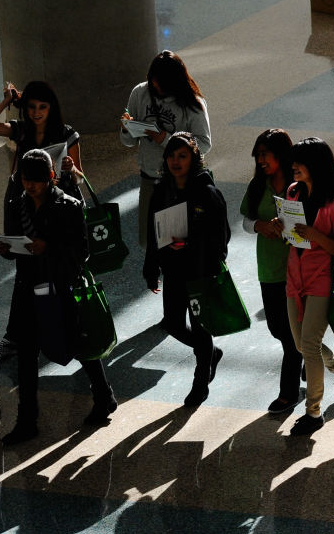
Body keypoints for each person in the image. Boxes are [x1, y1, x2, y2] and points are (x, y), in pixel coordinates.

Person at [0, 150, 117, 445]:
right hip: (28, 288)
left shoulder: (69, 206)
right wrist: (8, 249)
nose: (31, 186)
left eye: (37, 180)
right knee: (26, 356)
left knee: (76, 343)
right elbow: (15, 241)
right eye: (26, 180)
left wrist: (47, 247)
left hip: (60, 288)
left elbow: (82, 252)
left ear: (51, 177)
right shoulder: (16, 204)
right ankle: (27, 421)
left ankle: (103, 395)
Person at [0, 80, 83, 359]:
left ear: (52, 108)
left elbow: (79, 177)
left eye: (43, 107)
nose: (37, 112)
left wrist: (71, 170)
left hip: (52, 202)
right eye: (32, 107)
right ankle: (17, 337)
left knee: (49, 264)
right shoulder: (21, 129)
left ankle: (52, 330)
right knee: (24, 267)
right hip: (21, 199)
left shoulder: (66, 134)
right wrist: (6, 102)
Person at [143, 133, 228, 407]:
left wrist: (191, 245)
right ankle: (210, 353)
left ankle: (200, 381)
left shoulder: (207, 192)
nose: (176, 162)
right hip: (173, 268)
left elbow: (221, 235)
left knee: (201, 328)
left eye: (182, 156)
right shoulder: (162, 190)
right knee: (174, 324)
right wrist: (151, 265)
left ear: (193, 158)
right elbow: (153, 230)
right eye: (171, 156)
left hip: (199, 270)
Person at [284, 137, 334, 436]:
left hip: (322, 279)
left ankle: (313, 412)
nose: (294, 167)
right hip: (294, 276)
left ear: (317, 165)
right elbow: (292, 232)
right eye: (294, 161)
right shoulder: (292, 192)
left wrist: (315, 234)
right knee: (301, 343)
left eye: (300, 162)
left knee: (308, 346)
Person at [121, 50, 212, 250]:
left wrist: (164, 139)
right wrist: (127, 129)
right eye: (154, 81)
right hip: (150, 176)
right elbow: (127, 142)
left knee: (178, 240)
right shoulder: (140, 93)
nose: (156, 87)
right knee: (148, 241)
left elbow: (204, 144)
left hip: (181, 181)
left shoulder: (193, 104)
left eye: (162, 83)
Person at [239, 129, 302, 413]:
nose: (261, 160)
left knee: (291, 337)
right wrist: (261, 226)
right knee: (279, 328)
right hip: (268, 269)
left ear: (281, 154)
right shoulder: (257, 186)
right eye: (258, 155)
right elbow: (244, 220)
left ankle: (288, 393)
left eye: (266, 154)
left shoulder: (298, 184)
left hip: (297, 269)